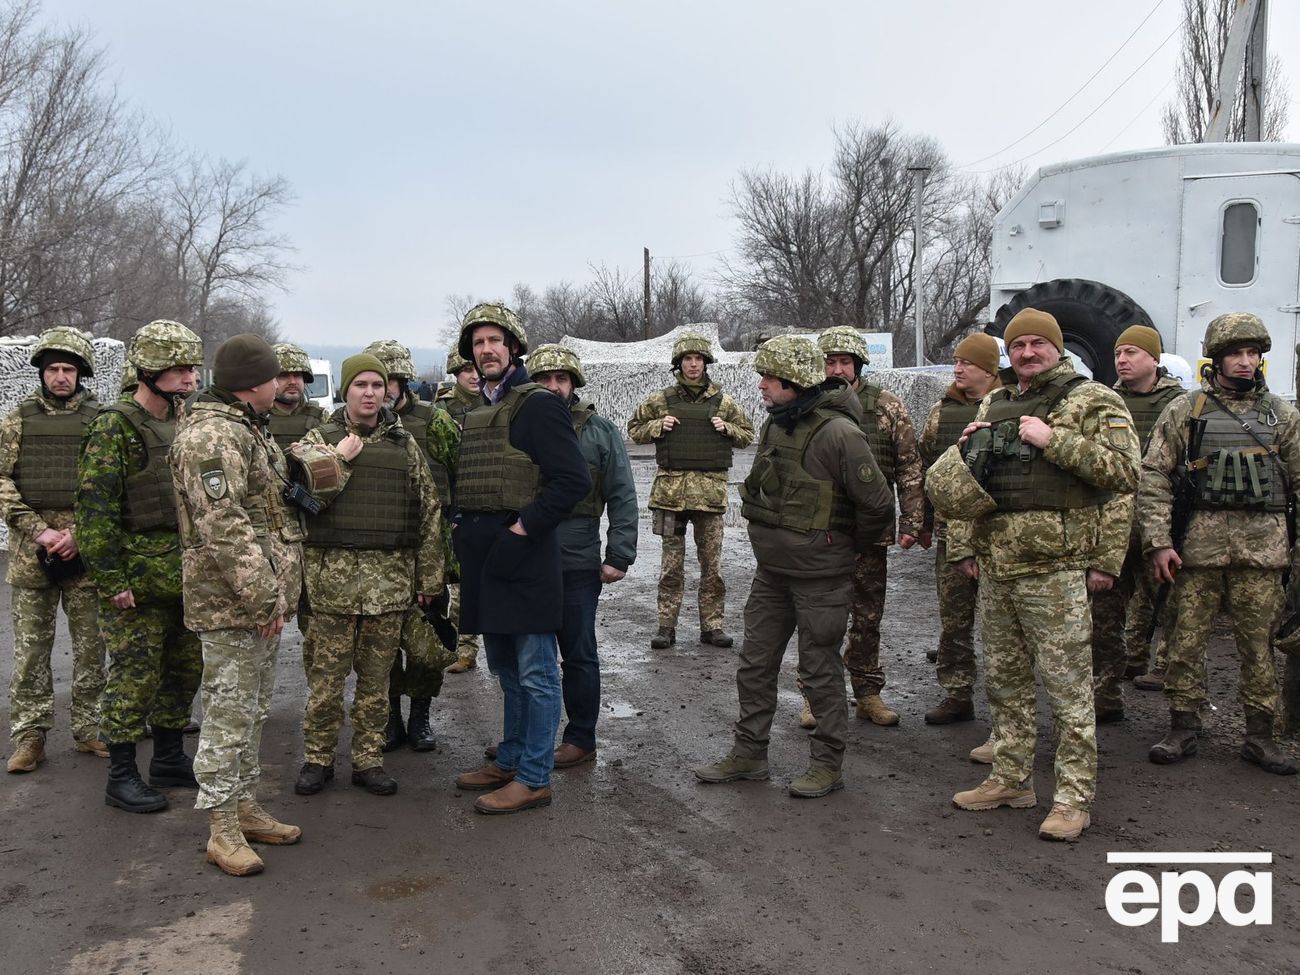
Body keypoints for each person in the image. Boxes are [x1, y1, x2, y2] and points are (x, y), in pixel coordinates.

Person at [934, 308, 1139, 841]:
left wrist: (1055, 440)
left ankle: (1072, 798)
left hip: (1057, 571)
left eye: (1036, 344)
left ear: (1056, 347)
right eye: (1017, 345)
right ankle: (1011, 779)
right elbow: (972, 487)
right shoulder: (995, 401)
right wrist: (965, 457)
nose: (1027, 353)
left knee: (1070, 690)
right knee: (1005, 683)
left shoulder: (1093, 399)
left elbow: (1124, 473)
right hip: (998, 567)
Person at [170, 334, 345, 875]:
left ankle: (244, 808)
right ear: (252, 382)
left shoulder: (247, 429)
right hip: (234, 605)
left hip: (256, 604)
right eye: (275, 377)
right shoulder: (213, 437)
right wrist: (264, 596)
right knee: (227, 714)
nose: (283, 384)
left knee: (250, 711)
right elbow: (224, 528)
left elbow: (268, 510)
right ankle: (221, 829)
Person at [695, 336, 893, 797]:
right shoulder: (776, 425)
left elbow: (879, 505)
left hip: (821, 578)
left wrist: (842, 549)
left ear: (795, 382)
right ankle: (749, 755)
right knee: (755, 664)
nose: (761, 385)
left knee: (819, 670)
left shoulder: (839, 433)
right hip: (773, 573)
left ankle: (827, 764)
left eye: (769, 378)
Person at [1140, 312, 1299, 775]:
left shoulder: (1280, 415)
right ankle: (1183, 725)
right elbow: (1154, 477)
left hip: (1263, 552)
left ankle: (1260, 735)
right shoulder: (1186, 411)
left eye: (1253, 354)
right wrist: (1158, 542)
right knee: (1185, 640)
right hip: (1196, 550)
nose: (1245, 362)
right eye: (1236, 353)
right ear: (1217, 358)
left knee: (1258, 646)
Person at [451, 303, 590, 814]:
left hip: (525, 556)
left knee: (536, 674)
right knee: (506, 671)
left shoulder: (537, 404)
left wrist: (521, 527)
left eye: (495, 341)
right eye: (478, 342)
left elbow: (572, 481)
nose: (486, 349)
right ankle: (509, 758)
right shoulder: (481, 407)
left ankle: (534, 777)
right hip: (489, 557)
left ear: (513, 347)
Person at [293, 353, 443, 797]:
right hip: (330, 587)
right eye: (361, 385)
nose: (371, 393)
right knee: (324, 683)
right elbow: (297, 500)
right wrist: (337, 459)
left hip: (389, 586)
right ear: (345, 390)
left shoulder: (404, 445)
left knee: (377, 686)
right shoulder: (318, 438)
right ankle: (317, 759)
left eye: (378, 385)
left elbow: (429, 510)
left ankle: (368, 760)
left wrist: (428, 580)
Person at [77, 320, 207, 813]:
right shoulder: (114, 425)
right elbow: (95, 510)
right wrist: (111, 580)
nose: (189, 378)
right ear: (149, 368)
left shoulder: (185, 422)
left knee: (183, 669)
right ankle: (122, 774)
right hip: (135, 579)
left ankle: (170, 759)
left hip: (183, 574)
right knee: (134, 676)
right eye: (178, 369)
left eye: (192, 368)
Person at [2, 328, 106, 773]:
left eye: (68, 369)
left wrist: (81, 529)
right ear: (42, 373)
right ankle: (29, 736)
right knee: (30, 651)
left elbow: (110, 484)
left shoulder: (101, 420)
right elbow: (2, 480)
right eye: (52, 369)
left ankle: (90, 729)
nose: (60, 377)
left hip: (87, 546)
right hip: (32, 549)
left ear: (80, 373)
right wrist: (37, 529)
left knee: (92, 647)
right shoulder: (17, 419)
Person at [529, 344, 638, 767]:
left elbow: (623, 494)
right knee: (525, 656)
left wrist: (619, 555)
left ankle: (580, 739)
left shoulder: (599, 430)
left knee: (578, 653)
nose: (554, 387)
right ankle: (526, 737)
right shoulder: (515, 425)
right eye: (545, 379)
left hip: (576, 559)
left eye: (562, 379)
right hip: (524, 556)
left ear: (574, 383)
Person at [815, 326, 926, 727]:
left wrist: (913, 520)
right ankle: (816, 696)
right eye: (831, 361)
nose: (838, 368)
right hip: (822, 531)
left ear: (859, 364)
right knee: (820, 616)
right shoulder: (810, 404)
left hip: (869, 532)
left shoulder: (886, 407)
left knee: (866, 617)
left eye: (845, 362)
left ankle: (867, 692)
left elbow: (909, 466)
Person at [362, 339, 460, 754]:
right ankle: (390, 719)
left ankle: (420, 716)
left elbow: (460, 470)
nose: (381, 392)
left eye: (390, 382)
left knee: (428, 641)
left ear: (402, 382)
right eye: (374, 383)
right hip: (380, 552)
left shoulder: (434, 421)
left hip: (429, 548)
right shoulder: (355, 426)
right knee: (380, 645)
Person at [627, 333, 754, 650]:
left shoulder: (723, 402)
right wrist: (658, 425)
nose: (693, 364)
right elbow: (633, 429)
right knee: (671, 567)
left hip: (710, 497)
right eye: (687, 359)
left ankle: (712, 627)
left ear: (706, 363)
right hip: (671, 496)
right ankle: (666, 627)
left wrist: (727, 428)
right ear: (679, 363)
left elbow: (748, 434)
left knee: (713, 568)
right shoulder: (661, 400)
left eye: (698, 359)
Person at [1090, 325, 1187, 720]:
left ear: (1154, 358)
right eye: (1118, 353)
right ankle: (1105, 694)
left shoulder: (1180, 405)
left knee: (1173, 611)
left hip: (1158, 526)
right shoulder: (1103, 401)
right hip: (1112, 528)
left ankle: (1177, 699)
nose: (1122, 360)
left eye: (1131, 352)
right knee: (1104, 615)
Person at [917, 334, 1001, 755]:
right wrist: (925, 522)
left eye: (967, 362)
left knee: (1003, 625)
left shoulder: (1010, 408)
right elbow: (926, 469)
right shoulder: (940, 412)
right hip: (951, 533)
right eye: (955, 361)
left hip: (998, 534)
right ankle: (957, 692)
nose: (957, 368)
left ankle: (1007, 711)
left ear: (989, 369)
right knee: (954, 617)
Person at [435, 349, 483, 674]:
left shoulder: (496, 402)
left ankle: (467, 649)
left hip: (481, 503)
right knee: (442, 583)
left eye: (477, 368)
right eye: (467, 369)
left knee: (470, 583)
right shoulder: (439, 410)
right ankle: (447, 647)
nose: (474, 375)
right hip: (449, 506)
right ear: (456, 372)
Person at [266, 343, 328, 452]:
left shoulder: (321, 417)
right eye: (284, 376)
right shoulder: (257, 418)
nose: (293, 382)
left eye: (298, 375)